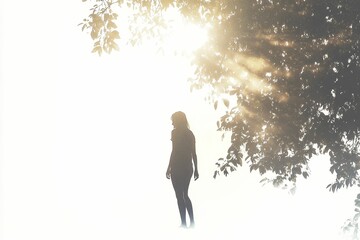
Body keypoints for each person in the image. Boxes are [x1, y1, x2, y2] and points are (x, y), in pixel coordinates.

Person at [166, 111, 199, 228]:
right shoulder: (190, 134)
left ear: (178, 120)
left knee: (180, 195)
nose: (172, 123)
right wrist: (196, 169)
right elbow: (193, 153)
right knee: (184, 194)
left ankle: (185, 223)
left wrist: (169, 167)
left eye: (173, 120)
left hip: (178, 167)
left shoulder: (175, 133)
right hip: (186, 167)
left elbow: (174, 151)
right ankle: (190, 222)